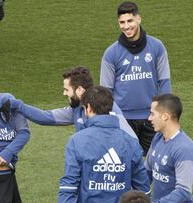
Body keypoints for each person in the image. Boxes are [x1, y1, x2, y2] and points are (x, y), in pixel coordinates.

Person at [100, 1, 171, 155]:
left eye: (130, 21)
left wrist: (165, 113)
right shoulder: (111, 53)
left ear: (139, 19)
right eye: (122, 22)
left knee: (159, 162)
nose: (126, 26)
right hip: (123, 119)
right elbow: (106, 92)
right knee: (124, 164)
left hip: (152, 118)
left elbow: (164, 82)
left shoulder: (157, 47)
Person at [58, 86, 150, 203]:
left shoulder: (76, 141)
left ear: (89, 108)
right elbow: (143, 190)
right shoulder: (131, 142)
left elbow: (69, 186)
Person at [9, 66, 137, 139]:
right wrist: (18, 105)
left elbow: (132, 141)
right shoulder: (77, 108)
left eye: (66, 89)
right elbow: (45, 117)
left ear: (80, 90)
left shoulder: (107, 107)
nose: (64, 93)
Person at [145, 94, 193, 202]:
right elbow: (146, 172)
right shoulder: (158, 138)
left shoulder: (184, 149)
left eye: (152, 114)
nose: (149, 118)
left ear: (165, 116)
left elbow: (183, 191)